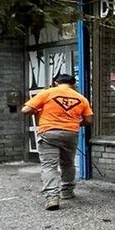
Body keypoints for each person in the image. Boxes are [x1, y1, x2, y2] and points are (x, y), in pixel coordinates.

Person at [22, 72, 94, 211]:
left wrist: (38, 110)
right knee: (68, 163)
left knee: (49, 166)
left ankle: (52, 198)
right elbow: (88, 120)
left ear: (56, 83)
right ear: (73, 85)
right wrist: (75, 124)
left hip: (49, 132)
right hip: (71, 133)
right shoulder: (81, 98)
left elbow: (25, 109)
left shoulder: (48, 93)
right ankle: (67, 191)